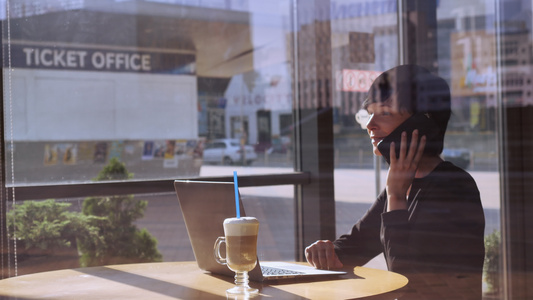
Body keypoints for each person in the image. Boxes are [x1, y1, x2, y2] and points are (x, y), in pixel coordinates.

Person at [305, 65, 485, 299]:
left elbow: (408, 283)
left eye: (385, 113)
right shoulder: (404, 183)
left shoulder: (454, 187)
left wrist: (396, 197)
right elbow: (356, 245)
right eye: (369, 113)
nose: (370, 124)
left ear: (422, 123)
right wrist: (326, 252)